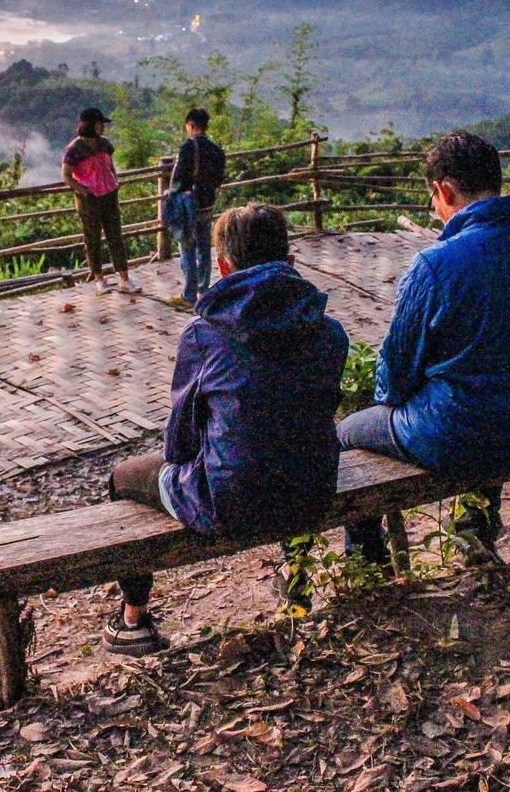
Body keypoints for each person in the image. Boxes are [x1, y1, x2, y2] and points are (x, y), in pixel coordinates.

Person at [103, 204, 349, 655]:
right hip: (315, 490)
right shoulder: (329, 331)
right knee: (287, 448)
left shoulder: (205, 336)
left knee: (123, 477)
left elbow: (178, 446)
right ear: (290, 263)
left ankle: (133, 619)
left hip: (231, 504)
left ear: (222, 266)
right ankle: (295, 580)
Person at [337, 131, 510, 568]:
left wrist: (403, 402)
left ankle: (368, 563)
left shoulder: (436, 264)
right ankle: (475, 535)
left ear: (444, 190)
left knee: (348, 431)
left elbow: (394, 378)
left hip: (454, 434)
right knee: (485, 399)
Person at [62, 107, 139, 295]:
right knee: (93, 239)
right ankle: (99, 278)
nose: (102, 127)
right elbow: (66, 175)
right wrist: (83, 191)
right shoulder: (74, 149)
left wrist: (114, 180)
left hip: (109, 194)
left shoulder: (105, 144)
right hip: (89, 200)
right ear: (89, 125)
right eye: (99, 124)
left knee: (116, 237)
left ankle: (124, 278)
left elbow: (110, 165)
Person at [168, 107, 227, 307]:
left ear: (191, 125)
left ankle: (189, 294)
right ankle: (204, 291)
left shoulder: (188, 148)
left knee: (186, 247)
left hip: (189, 206)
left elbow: (179, 180)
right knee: (204, 247)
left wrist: (173, 193)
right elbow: (219, 178)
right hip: (207, 204)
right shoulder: (216, 149)